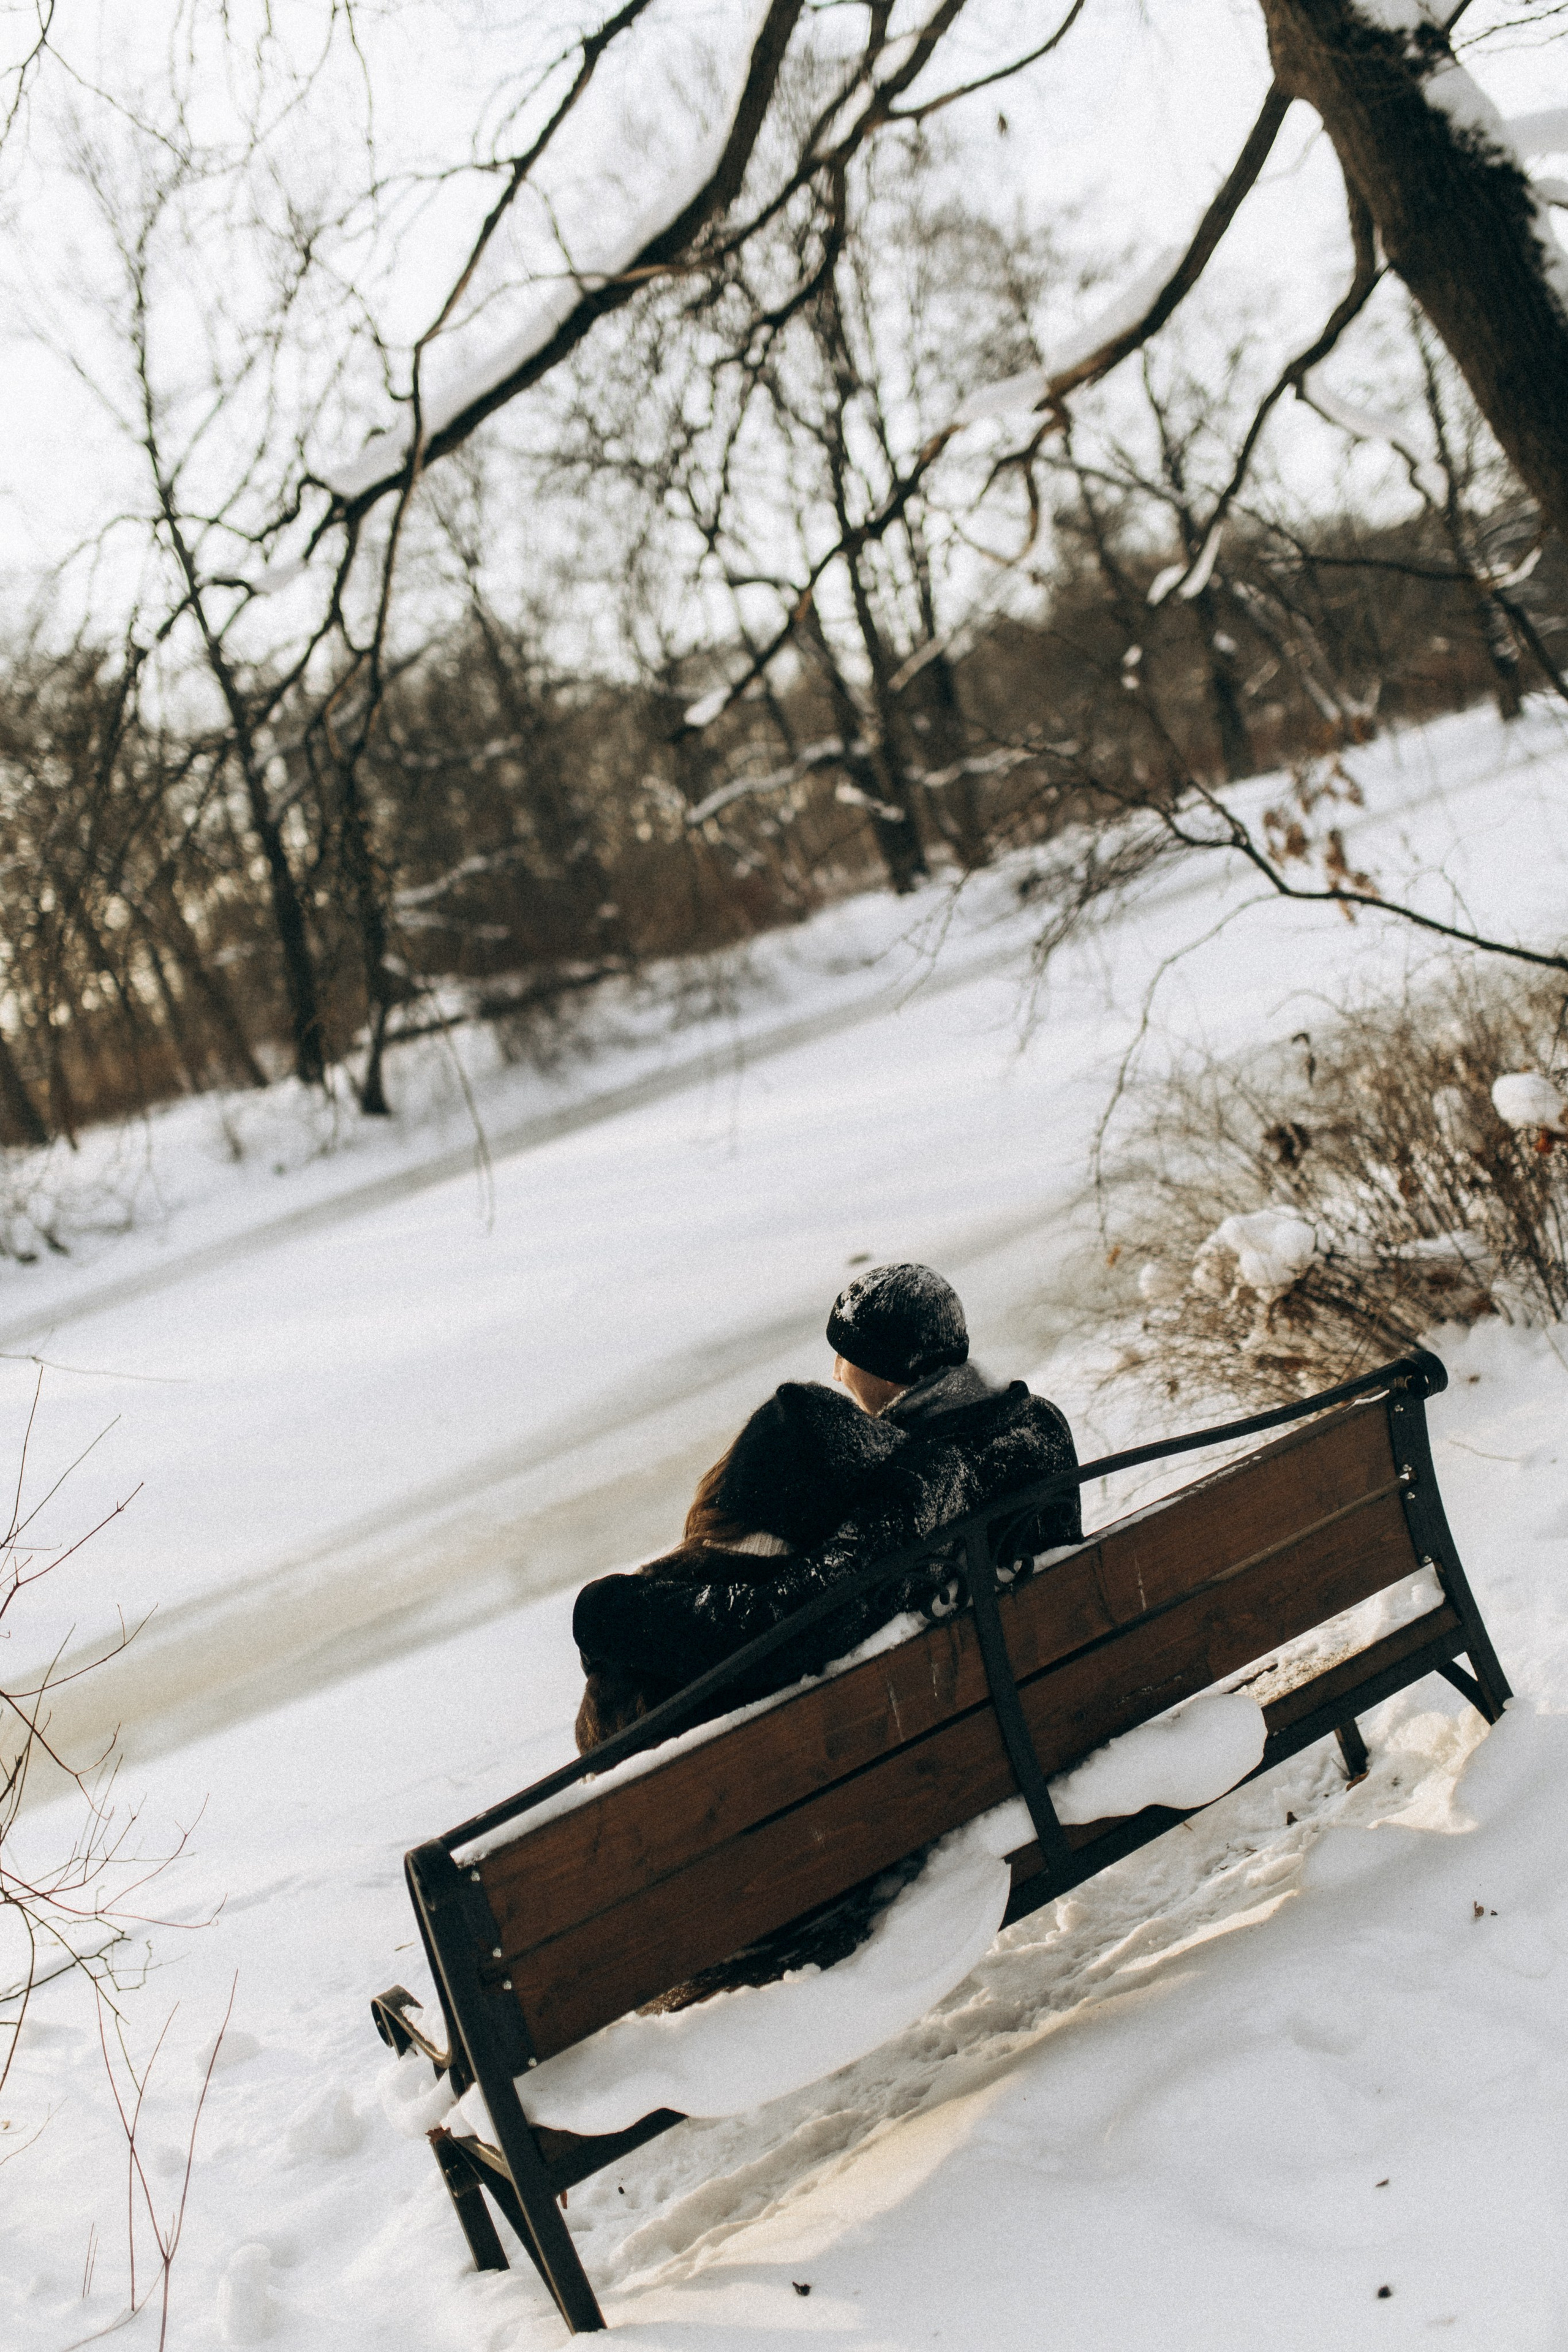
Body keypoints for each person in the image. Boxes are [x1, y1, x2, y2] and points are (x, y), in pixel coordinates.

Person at [571, 1262, 1080, 1719]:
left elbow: (787, 1628)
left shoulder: (927, 1481)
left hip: (1006, 1725)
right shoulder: (1039, 1422)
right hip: (1063, 1677)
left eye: (847, 1358)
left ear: (890, 1370)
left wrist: (610, 1610)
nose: (837, 1374)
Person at [575, 1379, 907, 1752]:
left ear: (734, 1479)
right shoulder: (823, 1609)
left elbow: (597, 1743)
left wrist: (599, 1609)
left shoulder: (654, 1608)